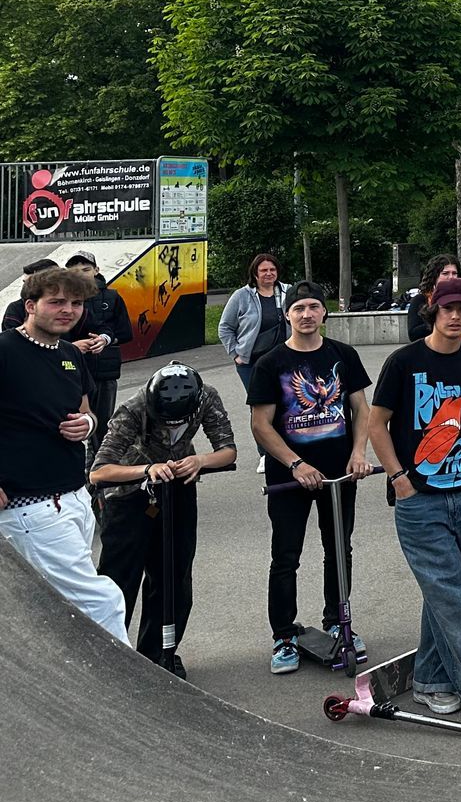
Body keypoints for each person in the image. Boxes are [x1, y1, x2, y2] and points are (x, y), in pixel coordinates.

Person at [368, 276, 461, 716]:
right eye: (448, 309)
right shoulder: (404, 361)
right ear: (433, 311)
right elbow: (377, 423)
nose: (455, 317)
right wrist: (399, 477)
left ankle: (430, 681)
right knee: (449, 591)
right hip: (419, 498)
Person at [248, 279, 376, 673]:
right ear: (287, 314)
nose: (306, 315)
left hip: (338, 475)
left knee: (339, 549)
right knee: (286, 556)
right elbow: (260, 424)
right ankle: (284, 635)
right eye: (299, 308)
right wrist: (296, 464)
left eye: (313, 307)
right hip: (291, 478)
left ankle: (338, 622)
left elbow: (361, 409)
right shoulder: (270, 363)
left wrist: (358, 453)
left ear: (324, 312)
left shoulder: (343, 355)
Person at [0, 266, 126, 641]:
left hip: (75, 499)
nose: (68, 310)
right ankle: (124, 680)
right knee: (102, 603)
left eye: (76, 303)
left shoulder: (70, 353)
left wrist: (87, 424)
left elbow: (87, 410)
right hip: (30, 507)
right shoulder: (5, 351)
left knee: (56, 610)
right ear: (30, 306)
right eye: (56, 302)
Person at [90, 364, 239, 673]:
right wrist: (148, 469)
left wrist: (200, 460)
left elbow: (228, 450)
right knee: (119, 578)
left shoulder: (206, 396)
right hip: (128, 493)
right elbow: (99, 471)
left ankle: (158, 653)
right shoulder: (133, 408)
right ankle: (111, 656)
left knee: (174, 575)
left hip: (178, 486)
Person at [63, 250, 132, 456]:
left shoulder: (112, 297)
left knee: (102, 427)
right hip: (70, 371)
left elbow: (125, 332)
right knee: (69, 425)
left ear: (96, 270)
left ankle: (99, 468)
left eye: (86, 270)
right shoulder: (62, 299)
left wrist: (104, 340)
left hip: (104, 371)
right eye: (75, 271)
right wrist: (72, 346)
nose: (81, 275)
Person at [218, 253, 291, 395]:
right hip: (251, 363)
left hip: (284, 360)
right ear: (255, 274)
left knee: (286, 401)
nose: (269, 273)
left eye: (272, 269)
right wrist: (235, 354)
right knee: (260, 402)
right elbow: (225, 327)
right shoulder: (241, 296)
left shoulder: (288, 292)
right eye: (264, 270)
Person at [406, 255, 461, 342]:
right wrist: (440, 320)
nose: (451, 277)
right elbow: (413, 334)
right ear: (434, 277)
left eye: (454, 273)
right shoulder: (420, 300)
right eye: (445, 273)